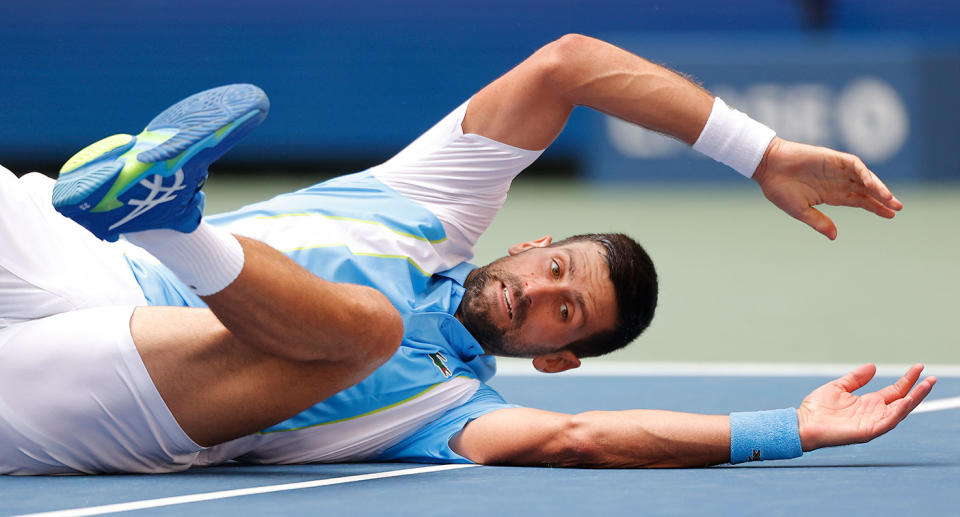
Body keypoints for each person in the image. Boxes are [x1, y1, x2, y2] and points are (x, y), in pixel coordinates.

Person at [0, 34, 934, 475]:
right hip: (78, 250)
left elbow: (583, 437)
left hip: (116, 394)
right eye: (555, 269)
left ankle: (169, 217)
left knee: (366, 332)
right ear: (532, 241)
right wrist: (762, 152)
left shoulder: (452, 411)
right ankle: (155, 218)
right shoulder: (430, 204)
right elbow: (565, 65)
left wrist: (792, 428)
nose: (540, 293)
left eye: (565, 315)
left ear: (557, 357)